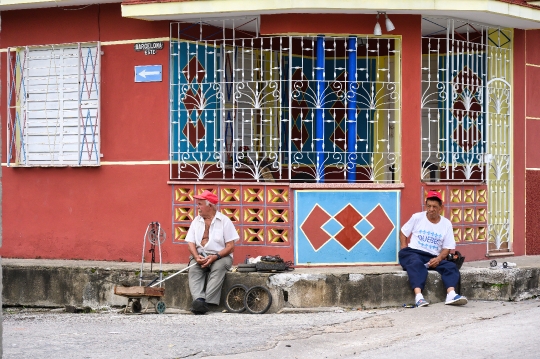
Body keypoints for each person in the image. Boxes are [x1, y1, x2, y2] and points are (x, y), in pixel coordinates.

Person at [399, 190, 468, 307]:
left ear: (441, 208)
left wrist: (438, 259)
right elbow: (403, 232)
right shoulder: (417, 217)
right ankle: (419, 297)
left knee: (451, 266)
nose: (431, 209)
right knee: (415, 263)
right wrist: (404, 248)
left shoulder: (446, 224)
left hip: (432, 257)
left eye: (434, 207)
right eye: (429, 206)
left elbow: (447, 247)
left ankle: (451, 294)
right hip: (413, 253)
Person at [185, 190, 239, 314]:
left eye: (200, 204)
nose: (197, 207)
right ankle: (198, 300)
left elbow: (230, 247)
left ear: (209, 206)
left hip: (220, 255)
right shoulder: (196, 221)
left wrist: (215, 256)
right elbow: (190, 243)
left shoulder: (224, 221)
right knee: (194, 269)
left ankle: (206, 302)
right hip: (200, 254)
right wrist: (196, 256)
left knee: (219, 268)